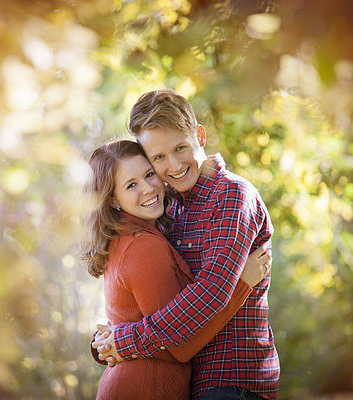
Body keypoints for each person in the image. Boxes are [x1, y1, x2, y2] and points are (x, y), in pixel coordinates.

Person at [93, 90, 280, 400]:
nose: (174, 165)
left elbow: (209, 294)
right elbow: (151, 299)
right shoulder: (172, 206)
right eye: (158, 158)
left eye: (180, 148)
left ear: (200, 136)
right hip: (191, 382)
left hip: (231, 378)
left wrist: (123, 341)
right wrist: (104, 340)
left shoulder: (232, 196)